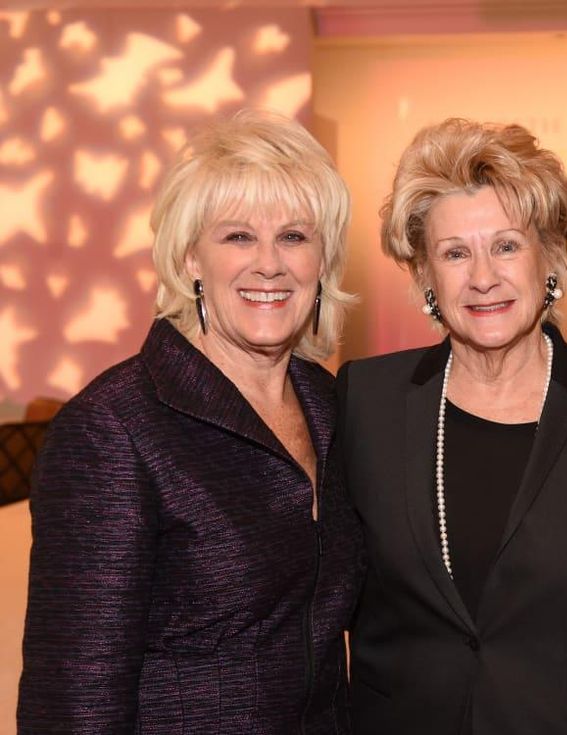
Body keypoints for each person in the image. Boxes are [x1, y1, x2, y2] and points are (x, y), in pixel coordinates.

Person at [18, 110, 365, 734]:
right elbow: (75, 700)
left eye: (294, 236)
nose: (269, 264)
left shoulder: (331, 405)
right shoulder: (113, 429)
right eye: (237, 237)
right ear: (190, 259)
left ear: (324, 260)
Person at [336, 118, 567, 734]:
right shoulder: (365, 398)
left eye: (507, 245)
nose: (483, 276)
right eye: (455, 253)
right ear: (424, 278)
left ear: (551, 258)